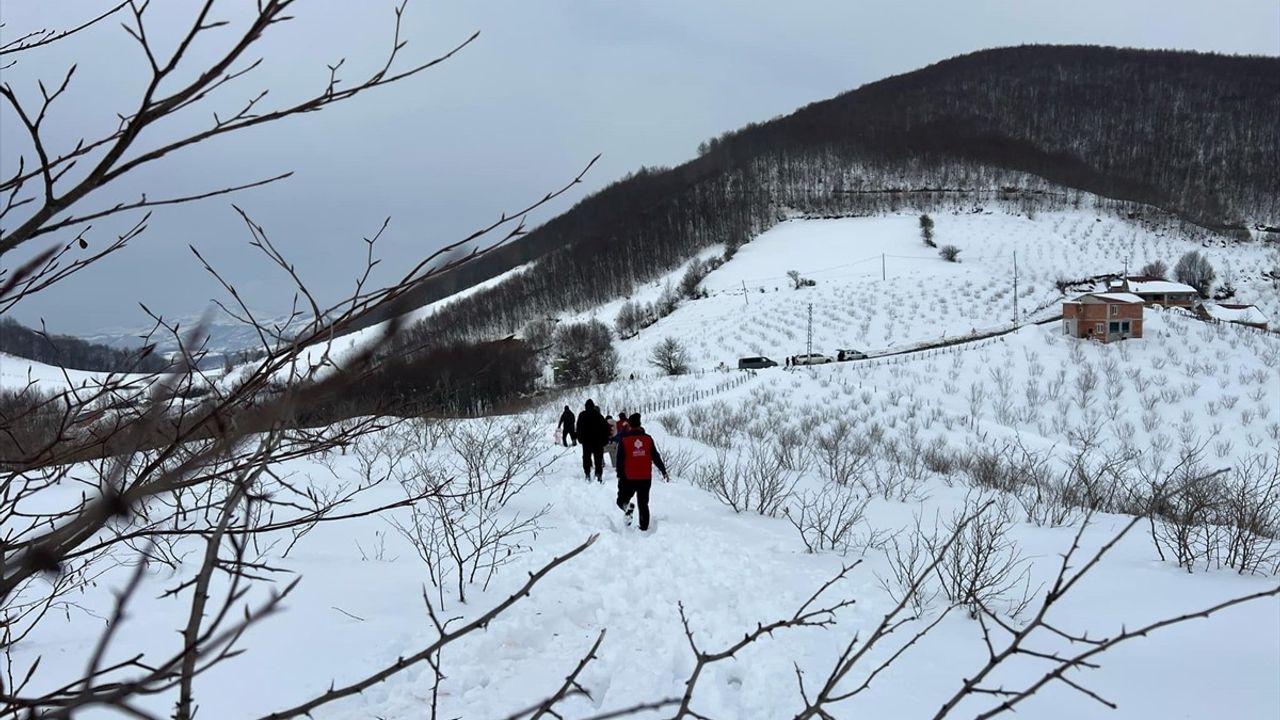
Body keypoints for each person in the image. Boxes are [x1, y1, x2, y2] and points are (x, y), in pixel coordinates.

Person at [615, 413, 669, 531]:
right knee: (643, 504)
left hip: (628, 477)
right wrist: (663, 471)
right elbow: (655, 456)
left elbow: (619, 461)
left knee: (621, 500)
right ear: (640, 424)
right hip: (645, 477)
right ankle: (644, 528)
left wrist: (620, 475)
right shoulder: (648, 439)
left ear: (629, 425)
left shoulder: (624, 441)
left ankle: (627, 507)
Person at [575, 399, 610, 482]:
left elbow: (578, 428)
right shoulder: (598, 415)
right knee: (598, 458)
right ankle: (598, 474)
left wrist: (580, 439)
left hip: (586, 441)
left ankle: (587, 473)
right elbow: (605, 429)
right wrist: (605, 441)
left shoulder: (582, 415)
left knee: (586, 458)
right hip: (598, 441)